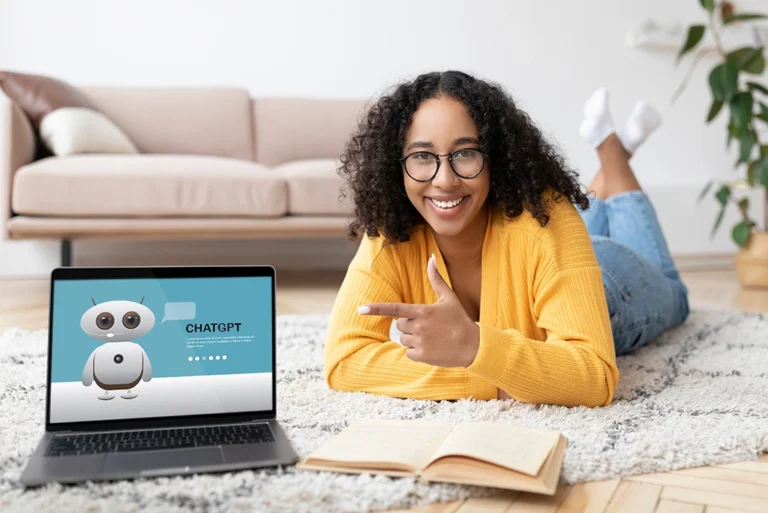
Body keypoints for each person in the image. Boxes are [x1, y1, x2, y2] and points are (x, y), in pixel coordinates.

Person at [323, 71, 690, 407]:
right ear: (396, 167)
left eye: (465, 153)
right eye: (421, 156)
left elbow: (593, 376)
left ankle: (613, 154)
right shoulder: (394, 229)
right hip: (558, 262)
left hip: (614, 284)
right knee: (573, 229)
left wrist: (474, 346)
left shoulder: (547, 218)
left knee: (675, 294)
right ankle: (618, 151)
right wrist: (481, 372)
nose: (444, 180)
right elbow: (344, 361)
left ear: (494, 158)